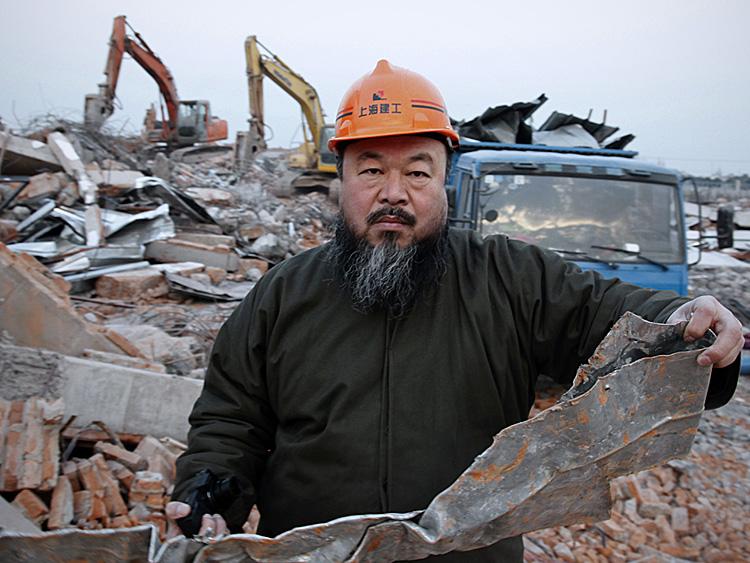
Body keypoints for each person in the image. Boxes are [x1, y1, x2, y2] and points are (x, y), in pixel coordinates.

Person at [167, 60, 743, 561]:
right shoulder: (284, 293)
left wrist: (691, 319)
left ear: (445, 181)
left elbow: (609, 312)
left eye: (417, 172)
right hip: (310, 554)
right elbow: (230, 417)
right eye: (371, 170)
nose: (394, 192)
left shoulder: (510, 277)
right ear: (339, 179)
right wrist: (210, 485)